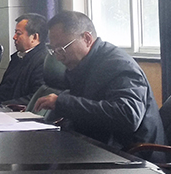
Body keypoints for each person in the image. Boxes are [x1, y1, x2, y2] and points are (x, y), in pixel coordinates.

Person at [33, 11, 164, 150]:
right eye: (54, 50)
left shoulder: (118, 65)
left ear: (87, 39)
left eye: (62, 49)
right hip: (96, 145)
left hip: (132, 153)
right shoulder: (82, 65)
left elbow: (128, 116)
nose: (58, 57)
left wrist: (63, 103)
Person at [0, 13, 49, 106]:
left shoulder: (43, 62)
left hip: (12, 111)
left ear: (34, 37)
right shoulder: (17, 58)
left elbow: (34, 98)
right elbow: (4, 92)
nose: (14, 37)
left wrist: (1, 105)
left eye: (18, 33)